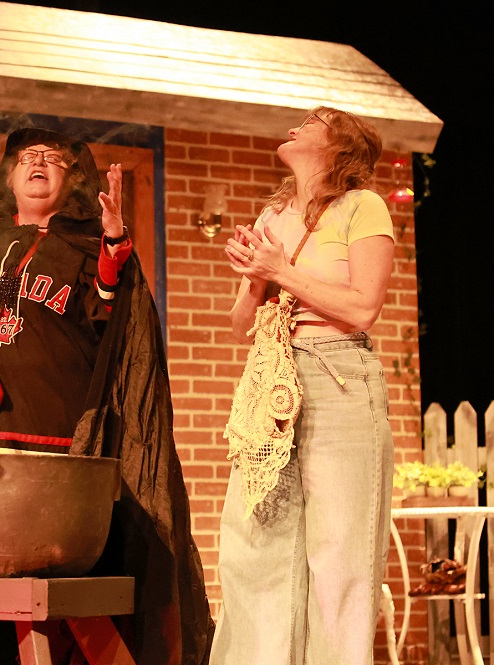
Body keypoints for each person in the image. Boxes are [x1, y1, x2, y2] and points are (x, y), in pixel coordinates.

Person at [0, 127, 213, 665]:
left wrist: (114, 239)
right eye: (26, 158)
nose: (38, 164)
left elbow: (110, 304)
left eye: (53, 159)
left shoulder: (88, 250)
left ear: (71, 181)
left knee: (54, 616)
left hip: (55, 459)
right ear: (7, 178)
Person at [210, 106, 395, 664]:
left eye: (313, 120)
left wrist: (281, 270)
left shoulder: (362, 207)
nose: (297, 125)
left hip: (340, 379)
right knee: (254, 551)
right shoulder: (274, 216)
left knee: (339, 558)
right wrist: (255, 280)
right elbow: (241, 325)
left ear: (339, 144)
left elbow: (364, 307)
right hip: (272, 382)